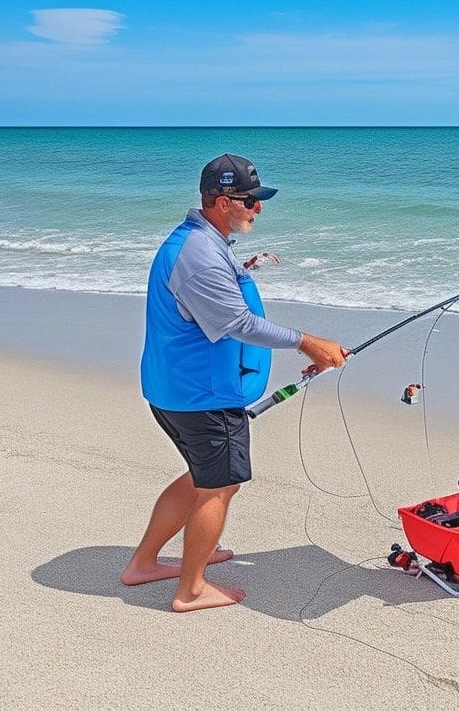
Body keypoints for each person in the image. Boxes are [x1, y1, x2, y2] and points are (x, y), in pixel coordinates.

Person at [120, 154, 347, 612]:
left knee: (201, 478)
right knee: (219, 486)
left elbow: (211, 289)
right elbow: (239, 324)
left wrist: (247, 267)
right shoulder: (202, 256)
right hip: (202, 396)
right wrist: (309, 343)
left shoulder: (202, 240)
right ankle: (192, 589)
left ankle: (144, 564)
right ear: (224, 201)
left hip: (176, 389)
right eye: (250, 201)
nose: (257, 209)